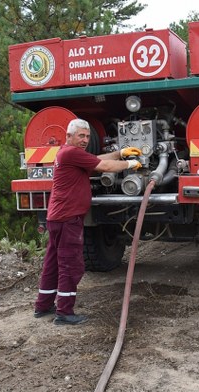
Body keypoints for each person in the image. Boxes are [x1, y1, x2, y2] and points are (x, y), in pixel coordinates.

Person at [33, 118, 142, 325]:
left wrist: (120, 153)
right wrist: (130, 164)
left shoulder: (68, 153)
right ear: (69, 136)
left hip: (57, 218)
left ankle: (43, 305)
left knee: (53, 264)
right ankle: (64, 312)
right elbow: (104, 165)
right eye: (81, 136)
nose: (84, 140)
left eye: (87, 136)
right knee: (71, 265)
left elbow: (94, 159)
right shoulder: (71, 153)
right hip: (68, 219)